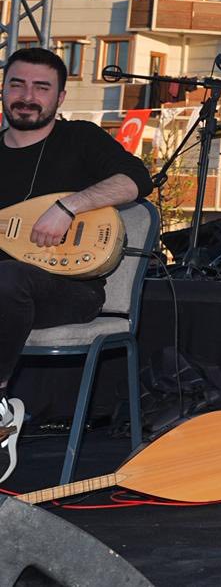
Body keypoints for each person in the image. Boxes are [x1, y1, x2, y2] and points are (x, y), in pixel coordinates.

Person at [0, 47, 154, 484]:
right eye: (17, 84)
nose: (27, 96)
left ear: (60, 97)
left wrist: (69, 207)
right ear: (3, 89)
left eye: (41, 87)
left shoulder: (80, 139)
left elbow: (137, 179)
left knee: (7, 278)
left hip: (71, 289)